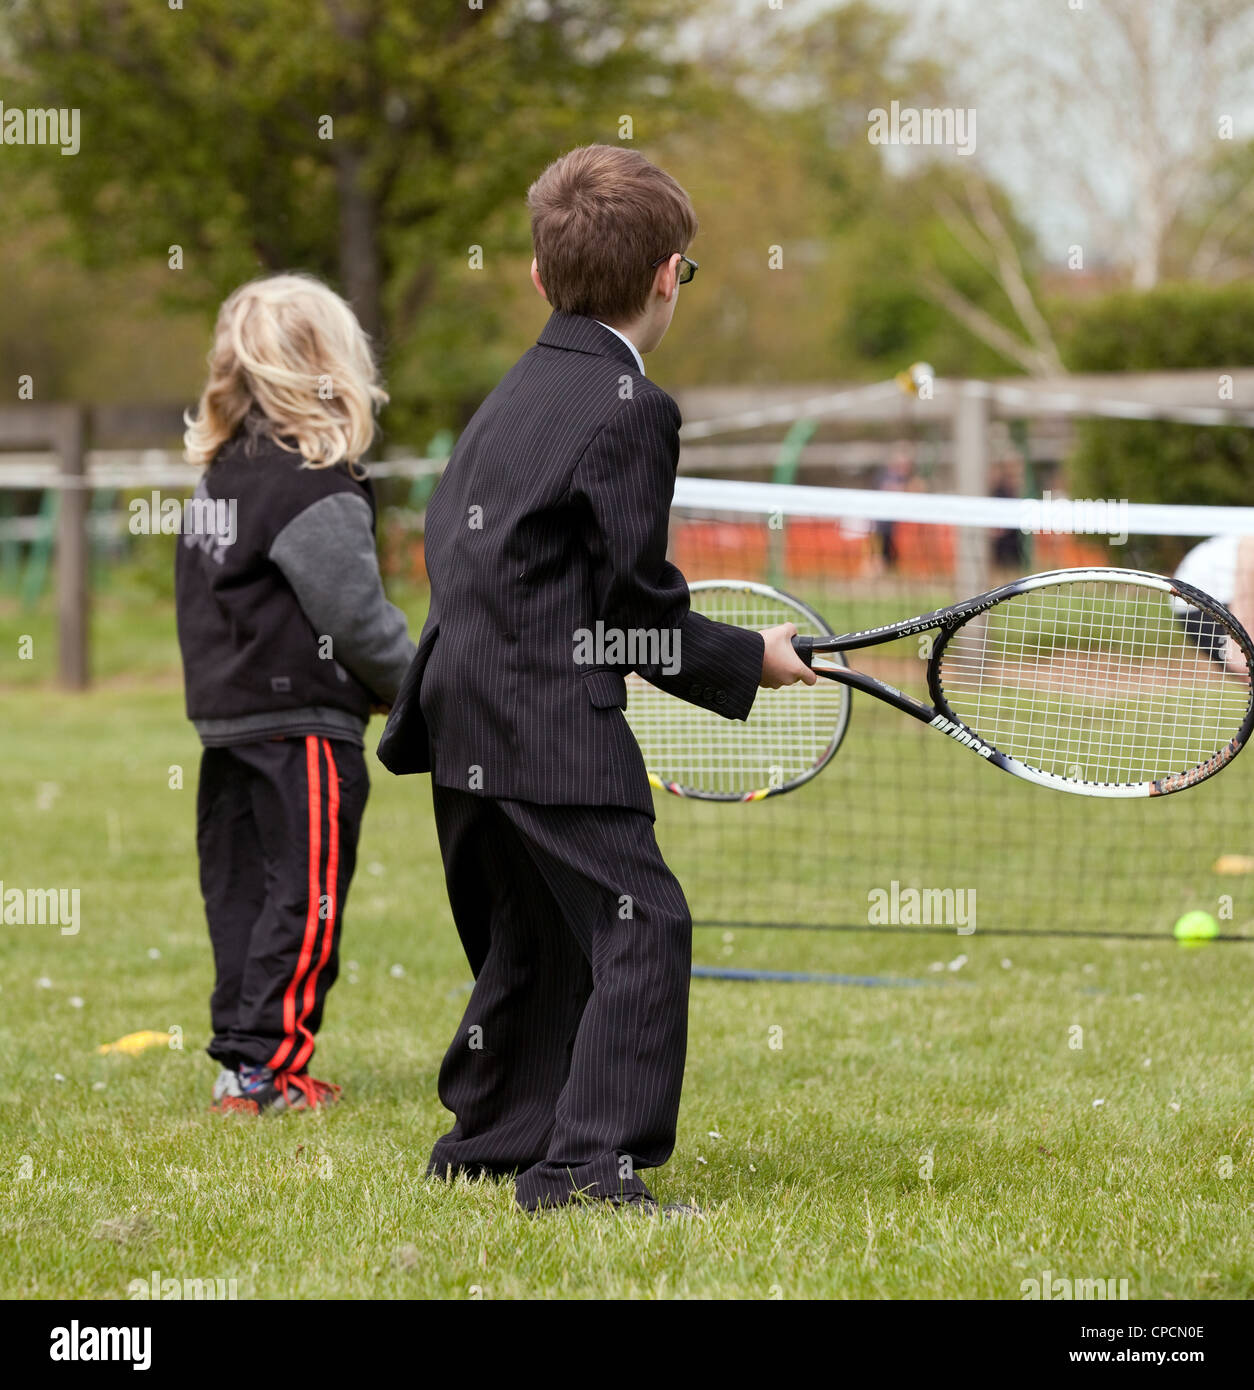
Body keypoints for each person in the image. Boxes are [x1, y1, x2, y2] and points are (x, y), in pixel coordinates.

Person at [378, 144, 813, 1213]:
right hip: (548, 716)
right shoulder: (631, 405)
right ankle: (582, 1168)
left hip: (464, 707)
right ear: (669, 274)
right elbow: (634, 606)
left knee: (532, 929)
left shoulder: (512, 393)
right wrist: (745, 655)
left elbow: (473, 548)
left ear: (538, 277)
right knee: (640, 924)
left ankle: (495, 1134)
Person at [176, 273, 415, 1114]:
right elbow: (356, 619)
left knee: (242, 892)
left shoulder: (217, 483)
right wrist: (418, 689)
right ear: (331, 368)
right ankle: (268, 1071)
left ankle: (242, 1060)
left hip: (228, 727)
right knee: (305, 898)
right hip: (303, 733)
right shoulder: (316, 484)